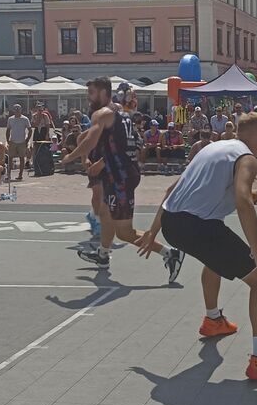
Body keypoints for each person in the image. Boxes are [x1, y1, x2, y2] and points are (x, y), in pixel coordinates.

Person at [137, 112, 257, 381]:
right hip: (199, 226)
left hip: (173, 223)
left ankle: (213, 320)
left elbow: (172, 190)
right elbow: (243, 200)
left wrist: (154, 231)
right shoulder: (246, 157)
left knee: (215, 258)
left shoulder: (213, 148)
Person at [61, 77, 184, 282]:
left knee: (125, 233)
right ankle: (102, 254)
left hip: (120, 178)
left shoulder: (102, 114)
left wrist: (70, 157)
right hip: (121, 173)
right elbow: (116, 143)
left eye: (91, 93)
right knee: (104, 212)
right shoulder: (121, 112)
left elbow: (90, 140)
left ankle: (170, 254)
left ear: (102, 93)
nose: (88, 98)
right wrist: (98, 160)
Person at [6, 104, 31, 182]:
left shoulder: (25, 119)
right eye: (15, 110)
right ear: (13, 110)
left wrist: (27, 140)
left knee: (22, 158)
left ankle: (20, 175)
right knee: (10, 158)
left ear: (21, 110)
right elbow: (8, 130)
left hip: (22, 141)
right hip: (13, 141)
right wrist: (7, 140)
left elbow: (30, 129)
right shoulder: (10, 119)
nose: (17, 111)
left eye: (18, 109)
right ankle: (9, 175)